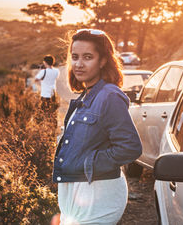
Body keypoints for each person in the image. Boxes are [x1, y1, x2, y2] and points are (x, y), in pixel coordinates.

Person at [52, 28, 142, 224]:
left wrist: (89, 163)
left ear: (103, 61)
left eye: (87, 57)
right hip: (78, 197)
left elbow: (130, 147)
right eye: (74, 57)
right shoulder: (87, 95)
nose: (79, 64)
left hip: (98, 197)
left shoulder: (109, 96)